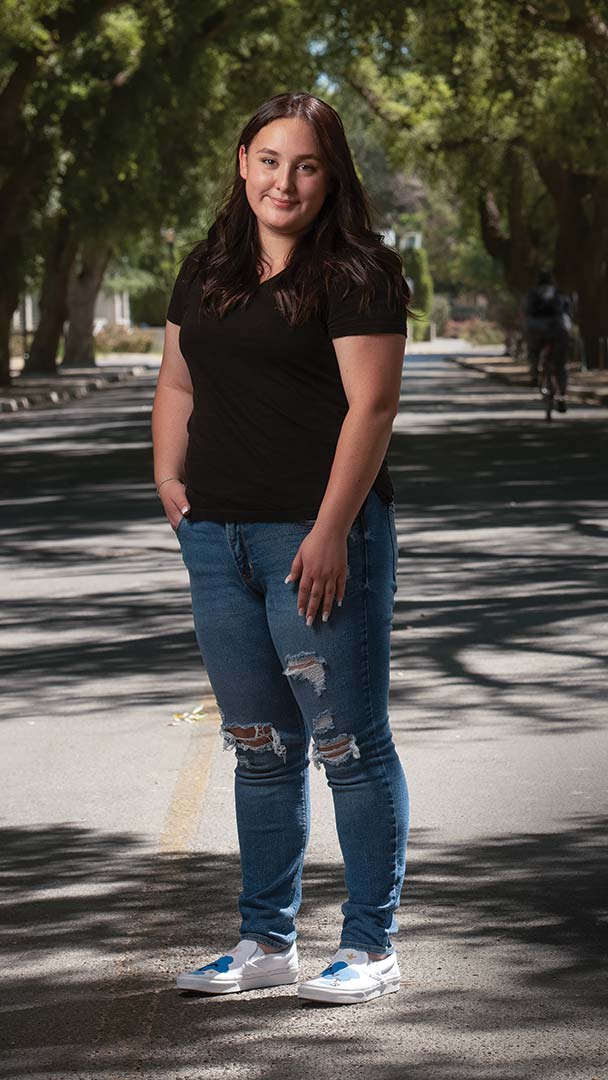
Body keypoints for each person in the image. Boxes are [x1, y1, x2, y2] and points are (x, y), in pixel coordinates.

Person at [152, 91, 411, 1006]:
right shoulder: (210, 267)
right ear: (241, 163)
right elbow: (178, 380)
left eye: (305, 164)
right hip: (218, 541)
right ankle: (265, 944)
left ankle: (370, 946)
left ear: (329, 174)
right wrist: (169, 477)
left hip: (318, 539)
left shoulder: (358, 273)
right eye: (269, 160)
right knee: (261, 746)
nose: (284, 181)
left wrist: (334, 528)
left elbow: (372, 408)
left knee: (347, 742)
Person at [524, 269, 573, 411]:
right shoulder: (560, 294)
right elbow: (569, 311)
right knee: (561, 364)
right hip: (559, 328)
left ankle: (534, 375)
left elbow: (526, 312)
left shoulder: (532, 294)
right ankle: (562, 394)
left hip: (537, 328)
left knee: (533, 351)